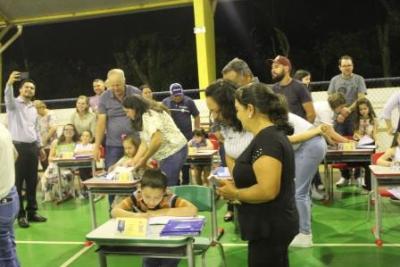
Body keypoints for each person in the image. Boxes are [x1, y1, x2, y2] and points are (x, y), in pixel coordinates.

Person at [217, 83, 298, 267]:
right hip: (270, 225)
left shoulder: (268, 141)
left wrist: (235, 194)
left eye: (238, 110)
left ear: (250, 109)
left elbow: (267, 190)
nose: (237, 115)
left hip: (270, 227)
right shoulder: (269, 137)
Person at [112, 168, 197, 267]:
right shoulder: (137, 196)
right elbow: (115, 211)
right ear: (140, 189)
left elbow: (193, 210)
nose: (151, 202)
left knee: (168, 263)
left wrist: (160, 212)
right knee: (149, 262)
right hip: (149, 242)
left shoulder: (169, 198)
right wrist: (137, 216)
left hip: (171, 244)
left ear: (164, 191)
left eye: (157, 198)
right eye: (147, 197)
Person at [205, 80, 254, 222]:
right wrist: (235, 180)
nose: (214, 116)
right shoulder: (225, 124)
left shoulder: (252, 124)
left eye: (216, 111)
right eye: (211, 111)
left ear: (229, 106)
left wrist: (237, 191)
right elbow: (229, 152)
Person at [4, 71, 47, 228]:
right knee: (18, 183)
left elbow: (35, 129)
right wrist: (9, 83)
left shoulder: (33, 108)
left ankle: (32, 212)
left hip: (32, 148)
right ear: (20, 90)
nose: (29, 90)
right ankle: (20, 215)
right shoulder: (13, 105)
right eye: (26, 87)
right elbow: (7, 99)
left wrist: (40, 146)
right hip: (18, 148)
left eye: (32, 88)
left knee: (31, 181)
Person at [122, 95, 188, 186]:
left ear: (135, 108)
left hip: (174, 150)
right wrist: (135, 160)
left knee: (167, 185)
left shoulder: (150, 115)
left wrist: (144, 160)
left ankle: (173, 200)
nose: (127, 115)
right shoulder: (143, 117)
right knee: (166, 184)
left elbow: (157, 140)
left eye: (127, 111)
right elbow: (144, 143)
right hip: (168, 154)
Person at [162, 83, 200, 185]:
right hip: (171, 139)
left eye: (179, 94)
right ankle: (176, 183)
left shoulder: (189, 101)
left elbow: (196, 116)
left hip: (186, 137)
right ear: (170, 94)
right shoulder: (165, 102)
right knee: (173, 162)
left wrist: (197, 132)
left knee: (185, 162)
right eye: (175, 95)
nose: (178, 97)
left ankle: (186, 183)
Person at [270, 55, 316, 123]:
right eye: (272, 67)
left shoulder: (299, 87)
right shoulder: (273, 89)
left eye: (276, 67)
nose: (273, 70)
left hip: (298, 130)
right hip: (282, 130)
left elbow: (311, 114)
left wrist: (303, 130)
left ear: (286, 69)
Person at [0, 122, 21, 267]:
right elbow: (15, 154)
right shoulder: (2, 127)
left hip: (2, 201)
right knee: (9, 250)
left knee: (4, 257)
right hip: (11, 196)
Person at [41, 124, 79, 202]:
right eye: (66, 129)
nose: (68, 131)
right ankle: (50, 197)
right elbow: (50, 158)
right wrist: (59, 158)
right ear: (63, 131)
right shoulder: (56, 142)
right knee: (46, 177)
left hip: (69, 167)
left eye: (71, 130)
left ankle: (63, 194)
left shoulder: (76, 144)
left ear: (74, 132)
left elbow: (77, 159)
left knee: (63, 176)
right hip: (55, 165)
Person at [34, 100, 58, 170]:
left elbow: (53, 128)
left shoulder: (51, 114)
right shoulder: (36, 115)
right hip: (40, 144)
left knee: (51, 166)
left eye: (36, 109)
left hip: (50, 144)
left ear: (42, 107)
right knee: (44, 164)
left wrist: (44, 141)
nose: (35, 111)